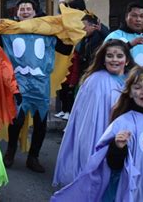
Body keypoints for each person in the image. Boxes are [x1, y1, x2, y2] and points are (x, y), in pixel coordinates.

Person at [51, 66, 143, 201]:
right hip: (137, 194)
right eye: (137, 88)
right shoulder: (123, 123)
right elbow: (110, 166)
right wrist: (117, 147)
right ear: (131, 93)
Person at [0, 0, 85, 173]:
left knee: (40, 123)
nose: (25, 11)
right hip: (18, 83)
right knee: (17, 121)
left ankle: (34, 157)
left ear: (34, 12)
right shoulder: (9, 31)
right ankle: (10, 152)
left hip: (40, 84)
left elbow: (66, 48)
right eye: (22, 8)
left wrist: (65, 21)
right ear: (17, 12)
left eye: (28, 8)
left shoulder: (48, 32)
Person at [53, 39, 135, 186]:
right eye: (109, 56)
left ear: (127, 60)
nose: (114, 60)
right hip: (100, 139)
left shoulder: (133, 81)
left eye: (119, 56)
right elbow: (87, 124)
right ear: (103, 60)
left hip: (125, 140)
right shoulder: (95, 81)